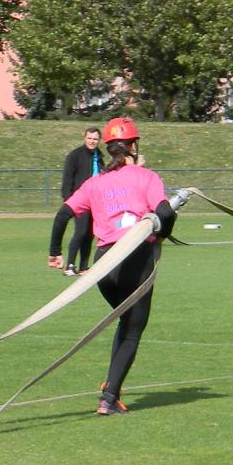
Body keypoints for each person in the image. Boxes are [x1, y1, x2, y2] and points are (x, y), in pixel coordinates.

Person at [64, 117, 179, 416]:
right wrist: (161, 235)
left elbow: (63, 213)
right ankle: (109, 397)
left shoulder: (96, 181)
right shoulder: (146, 177)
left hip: (104, 265)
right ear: (133, 146)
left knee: (125, 322)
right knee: (132, 329)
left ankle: (110, 390)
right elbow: (165, 212)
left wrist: (54, 252)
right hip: (135, 260)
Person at [48, 126, 103, 275]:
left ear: (99, 140)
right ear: (84, 138)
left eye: (95, 139)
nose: (92, 141)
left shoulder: (99, 156)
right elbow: (67, 179)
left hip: (95, 202)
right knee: (81, 231)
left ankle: (84, 267)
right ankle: (70, 266)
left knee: (90, 234)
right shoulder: (75, 155)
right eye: (89, 138)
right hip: (79, 201)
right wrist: (69, 200)